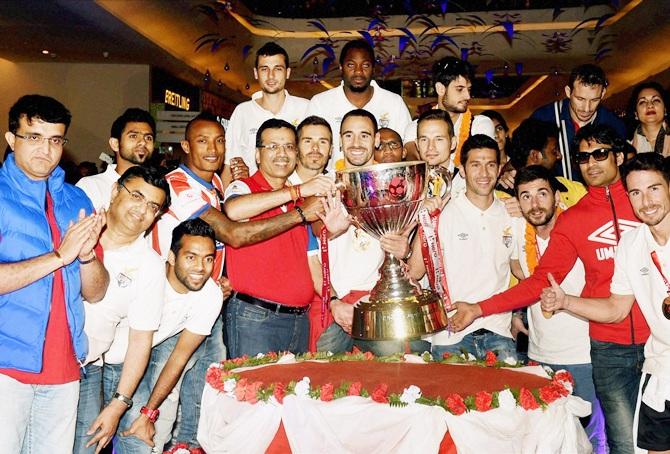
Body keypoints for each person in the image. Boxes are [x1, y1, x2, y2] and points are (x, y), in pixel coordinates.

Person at [451, 124, 650, 454]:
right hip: (608, 347)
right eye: (583, 157)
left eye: (600, 153)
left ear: (617, 155)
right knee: (622, 443)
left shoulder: (645, 201)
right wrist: (478, 308)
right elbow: (541, 281)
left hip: (659, 340)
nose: (591, 163)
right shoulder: (574, 220)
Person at [150, 111, 322, 450]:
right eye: (202, 141)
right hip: (171, 304)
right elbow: (234, 233)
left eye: (219, 141)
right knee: (164, 397)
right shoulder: (179, 185)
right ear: (185, 145)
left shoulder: (215, 183)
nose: (212, 149)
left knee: (201, 398)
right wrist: (300, 207)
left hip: (209, 303)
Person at [541, 152, 670, 454]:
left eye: (654, 188)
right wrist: (565, 301)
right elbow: (616, 308)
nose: (646, 201)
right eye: (635, 192)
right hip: (662, 368)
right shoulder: (631, 245)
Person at [0, 94, 108, 453]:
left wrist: (88, 257)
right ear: (11, 139)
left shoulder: (76, 201)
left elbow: (95, 292)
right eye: (34, 137)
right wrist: (60, 256)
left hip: (63, 365)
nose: (45, 150)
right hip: (7, 364)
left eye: (55, 140)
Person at [316, 109, 427, 355]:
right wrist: (327, 234)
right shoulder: (324, 186)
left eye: (364, 136)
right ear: (340, 140)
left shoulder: (395, 188)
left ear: (376, 140)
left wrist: (405, 252)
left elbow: (404, 253)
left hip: (379, 305)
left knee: (392, 382)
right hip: (331, 307)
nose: (356, 144)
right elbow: (309, 253)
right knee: (322, 385)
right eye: (348, 136)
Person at [510, 165, 606, 452]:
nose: (535, 204)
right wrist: (517, 313)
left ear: (556, 197)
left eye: (542, 194)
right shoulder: (518, 233)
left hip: (584, 354)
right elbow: (519, 275)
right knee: (551, 439)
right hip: (540, 357)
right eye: (525, 196)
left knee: (593, 436)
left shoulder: (578, 230)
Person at [75, 165, 169, 454]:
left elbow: (141, 340)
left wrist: (117, 405)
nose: (142, 210)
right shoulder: (76, 227)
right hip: (36, 361)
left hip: (87, 370)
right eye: (137, 196)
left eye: (153, 206)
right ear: (115, 191)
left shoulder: (150, 265)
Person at [111, 219, 226, 453]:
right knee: (85, 438)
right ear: (172, 258)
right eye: (191, 257)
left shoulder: (210, 295)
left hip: (133, 364)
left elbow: (178, 359)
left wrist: (149, 413)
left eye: (208, 259)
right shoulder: (148, 276)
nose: (200, 268)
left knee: (139, 438)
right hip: (99, 361)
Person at [407, 134, 521, 360]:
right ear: (462, 169)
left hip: (498, 331)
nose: (484, 173)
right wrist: (425, 221)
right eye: (475, 165)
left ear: (500, 169)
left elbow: (521, 271)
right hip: (451, 333)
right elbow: (415, 271)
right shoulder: (443, 211)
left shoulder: (512, 213)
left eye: (490, 165)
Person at [223, 118, 326, 358]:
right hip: (255, 318)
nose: (282, 154)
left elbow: (312, 262)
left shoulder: (302, 203)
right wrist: (297, 192)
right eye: (273, 147)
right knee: (251, 392)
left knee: (293, 394)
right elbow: (234, 211)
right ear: (257, 155)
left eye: (289, 147)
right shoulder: (244, 187)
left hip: (299, 320)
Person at [306, 39, 411, 171]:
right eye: (351, 65)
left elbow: (407, 149)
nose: (358, 71)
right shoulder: (321, 103)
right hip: (334, 185)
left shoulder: (394, 102)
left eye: (365, 65)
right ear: (341, 67)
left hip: (383, 185)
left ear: (373, 69)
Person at [223, 42, 308, 187]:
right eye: (264, 69)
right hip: (255, 200)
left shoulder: (305, 108)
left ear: (287, 72)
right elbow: (228, 166)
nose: (271, 75)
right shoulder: (242, 112)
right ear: (256, 73)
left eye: (278, 69)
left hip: (298, 198)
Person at [531, 64, 626, 182]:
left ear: (602, 93)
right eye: (580, 99)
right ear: (568, 91)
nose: (586, 109)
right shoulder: (543, 118)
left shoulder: (614, 124)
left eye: (594, 100)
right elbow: (525, 160)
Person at [403, 56, 495, 165]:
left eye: (469, 89)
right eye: (460, 89)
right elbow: (413, 161)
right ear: (440, 89)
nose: (468, 96)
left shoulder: (479, 125)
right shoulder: (415, 127)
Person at [77, 108, 155, 209]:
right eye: (133, 136)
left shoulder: (157, 189)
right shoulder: (91, 187)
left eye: (148, 138)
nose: (143, 142)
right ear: (115, 144)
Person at [509, 118, 587, 207]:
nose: (559, 156)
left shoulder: (570, 187)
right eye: (554, 151)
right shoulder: (506, 196)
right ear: (535, 156)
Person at [627, 81, 670, 156]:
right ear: (636, 114)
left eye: (656, 100)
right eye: (642, 102)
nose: (650, 105)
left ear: (665, 110)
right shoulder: (626, 150)